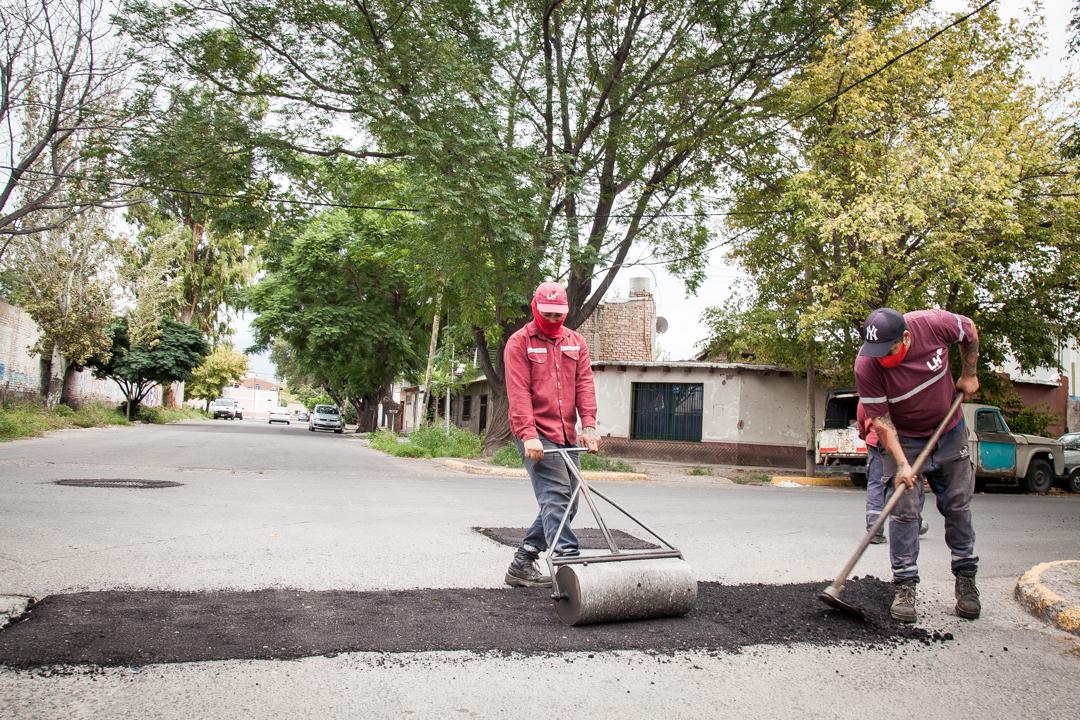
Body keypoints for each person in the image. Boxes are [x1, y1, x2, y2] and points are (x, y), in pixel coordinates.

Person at [854, 307, 981, 623]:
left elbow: (970, 332)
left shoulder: (933, 324)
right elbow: (880, 421)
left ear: (906, 338)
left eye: (889, 351)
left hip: (949, 431)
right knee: (904, 512)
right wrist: (901, 464)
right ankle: (905, 586)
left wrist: (968, 374)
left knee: (957, 507)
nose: (882, 358)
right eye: (877, 353)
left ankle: (966, 581)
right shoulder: (866, 365)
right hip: (905, 438)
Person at [502, 281, 600, 588]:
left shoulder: (576, 343)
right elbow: (518, 392)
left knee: (568, 504)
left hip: (567, 434)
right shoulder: (519, 343)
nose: (554, 320)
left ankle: (523, 561)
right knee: (556, 499)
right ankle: (569, 565)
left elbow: (584, 384)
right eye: (548, 314)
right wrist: (529, 435)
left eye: (559, 315)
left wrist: (590, 426)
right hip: (535, 433)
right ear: (535, 308)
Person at [858, 401, 928, 545]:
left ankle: (874, 530)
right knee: (909, 481)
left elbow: (861, 417)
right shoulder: (899, 388)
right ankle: (915, 523)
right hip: (900, 442)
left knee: (876, 484)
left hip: (875, 441)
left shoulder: (869, 391)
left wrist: (865, 435)